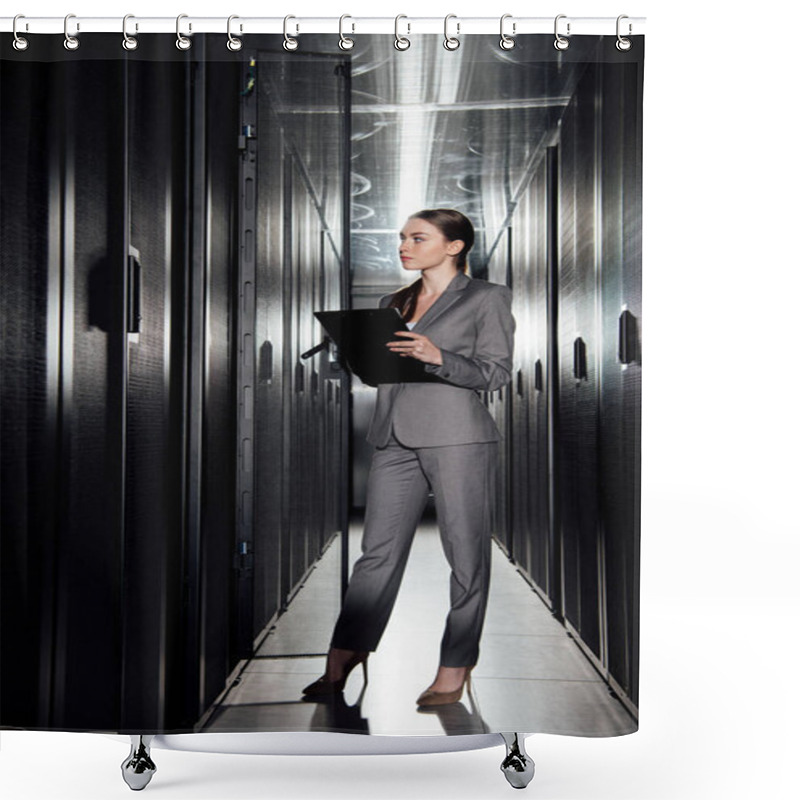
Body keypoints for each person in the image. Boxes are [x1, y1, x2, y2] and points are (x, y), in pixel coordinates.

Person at [303, 208, 515, 707]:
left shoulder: (487, 298)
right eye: (402, 238)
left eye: (418, 238)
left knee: (465, 558)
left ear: (454, 246)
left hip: (458, 437)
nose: (404, 246)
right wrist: (361, 355)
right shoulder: (393, 300)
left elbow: (495, 373)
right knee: (376, 555)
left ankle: (455, 665)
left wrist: (437, 356)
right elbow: (388, 375)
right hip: (393, 436)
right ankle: (344, 658)